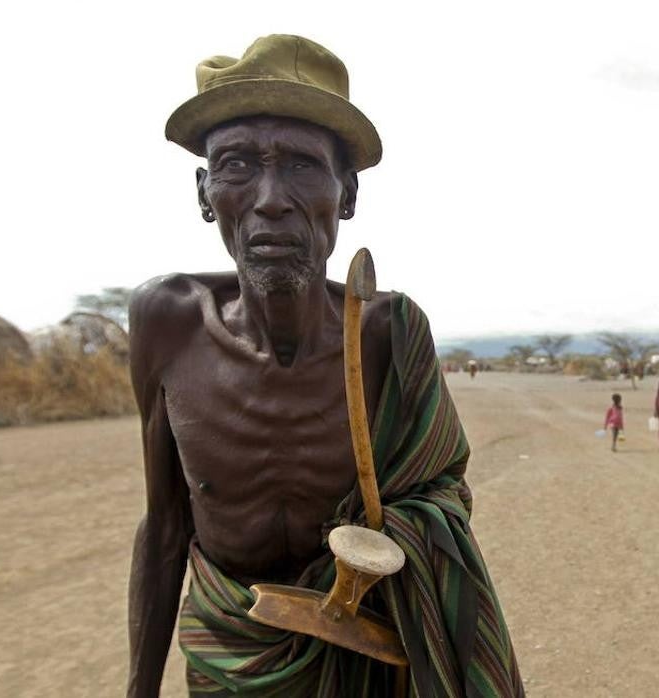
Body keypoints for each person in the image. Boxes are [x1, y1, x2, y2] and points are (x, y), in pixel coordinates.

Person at [128, 35, 521, 697]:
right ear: (205, 192)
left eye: (304, 166)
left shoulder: (389, 332)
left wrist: (398, 534)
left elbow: (443, 492)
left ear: (347, 194)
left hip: (364, 660)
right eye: (237, 164)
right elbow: (166, 523)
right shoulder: (165, 322)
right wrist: (138, 690)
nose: (271, 197)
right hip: (229, 658)